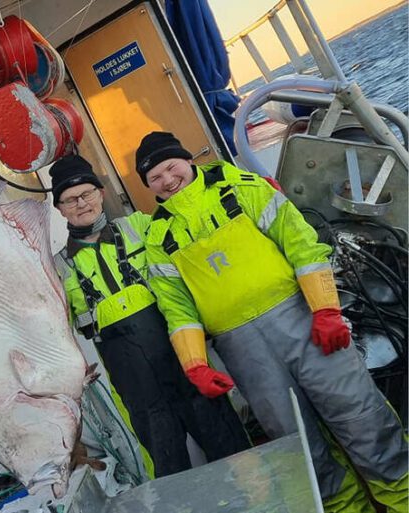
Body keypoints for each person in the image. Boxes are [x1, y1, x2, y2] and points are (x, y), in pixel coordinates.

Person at [136, 131, 408, 512]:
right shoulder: (158, 238)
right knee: (300, 445)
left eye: (170, 167)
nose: (167, 180)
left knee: (361, 415)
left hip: (303, 320)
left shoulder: (240, 185)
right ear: (148, 187)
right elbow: (177, 309)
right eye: (155, 178)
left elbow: (299, 242)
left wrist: (326, 309)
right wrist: (195, 363)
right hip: (243, 352)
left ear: (187, 160)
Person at [50, 154, 250, 479]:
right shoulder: (57, 267)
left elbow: (193, 229)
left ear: (101, 193)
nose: (81, 204)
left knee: (226, 438)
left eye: (86, 193)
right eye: (70, 200)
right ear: (60, 209)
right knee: (165, 463)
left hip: (182, 354)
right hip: (132, 379)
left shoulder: (141, 225)